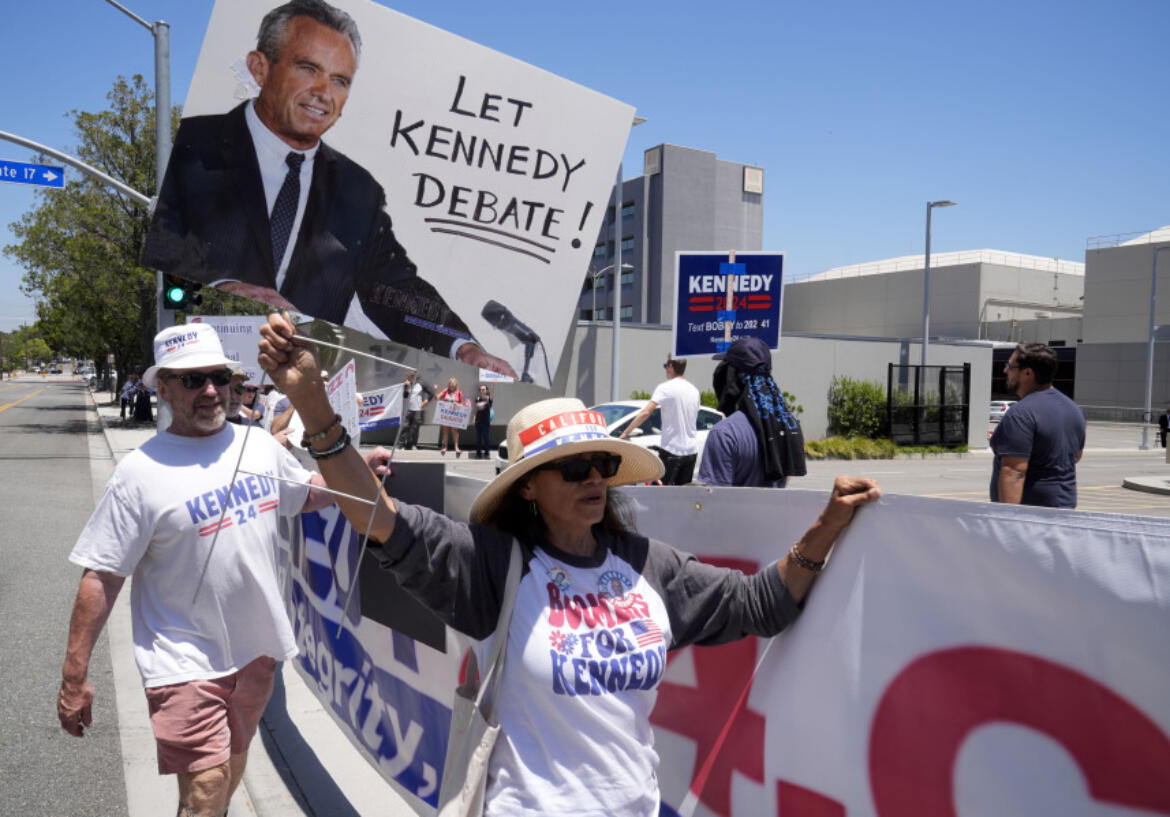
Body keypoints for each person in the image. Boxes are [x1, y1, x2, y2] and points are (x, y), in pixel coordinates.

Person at [256, 312, 881, 817]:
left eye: (603, 466)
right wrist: (313, 405)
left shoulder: (648, 566)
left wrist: (824, 531)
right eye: (573, 468)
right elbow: (375, 515)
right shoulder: (493, 565)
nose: (593, 480)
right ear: (527, 486)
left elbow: (758, 604)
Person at [141, 0, 515, 378]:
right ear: (260, 68)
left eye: (340, 80)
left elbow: (397, 289)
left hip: (305, 384)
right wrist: (225, 285)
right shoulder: (192, 147)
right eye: (308, 68)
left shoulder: (359, 189)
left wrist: (461, 347)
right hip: (211, 373)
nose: (324, 92)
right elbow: (166, 243)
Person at [55, 323, 336, 817]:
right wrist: (74, 674)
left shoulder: (258, 446)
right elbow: (102, 575)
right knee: (205, 786)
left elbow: (306, 493)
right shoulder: (139, 473)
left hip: (256, 650)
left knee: (231, 765)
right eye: (191, 380)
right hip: (181, 659)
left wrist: (360, 470)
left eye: (218, 377)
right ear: (162, 389)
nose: (210, 390)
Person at [699, 337, 806, 487]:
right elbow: (784, 481)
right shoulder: (789, 427)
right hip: (775, 510)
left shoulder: (724, 433)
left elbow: (715, 499)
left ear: (731, 375)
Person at [990, 342, 1087, 508]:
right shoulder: (1073, 409)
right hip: (1065, 510)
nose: (1005, 370)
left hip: (1032, 520)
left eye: (1010, 366)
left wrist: (1008, 521)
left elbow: (1014, 472)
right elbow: (1076, 456)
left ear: (1028, 373)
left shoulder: (1020, 414)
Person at [618, 356, 700, 485]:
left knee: (659, 495)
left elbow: (646, 412)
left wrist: (626, 433)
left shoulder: (666, 388)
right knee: (682, 497)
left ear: (670, 366)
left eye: (665, 366)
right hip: (691, 452)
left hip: (673, 450)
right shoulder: (694, 391)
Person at [401, 371, 433, 450]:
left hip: (417, 409)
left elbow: (431, 393)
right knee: (405, 426)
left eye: (409, 377)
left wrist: (425, 401)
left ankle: (412, 444)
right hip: (408, 409)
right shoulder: (407, 384)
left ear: (414, 377)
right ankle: (401, 444)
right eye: (408, 377)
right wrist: (407, 388)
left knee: (415, 428)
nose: (408, 379)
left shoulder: (421, 384)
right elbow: (405, 396)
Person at [436, 377, 466, 457]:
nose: (452, 385)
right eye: (450, 383)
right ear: (449, 384)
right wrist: (435, 390)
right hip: (446, 414)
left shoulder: (459, 392)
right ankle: (445, 447)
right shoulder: (446, 391)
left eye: (453, 383)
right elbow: (437, 398)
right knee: (445, 430)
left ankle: (456, 447)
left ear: (456, 384)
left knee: (454, 430)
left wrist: (458, 404)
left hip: (455, 415)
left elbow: (463, 405)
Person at [474, 383, 494, 459]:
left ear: (486, 390)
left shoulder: (489, 399)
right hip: (478, 422)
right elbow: (476, 410)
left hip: (486, 422)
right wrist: (474, 418)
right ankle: (478, 454)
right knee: (478, 439)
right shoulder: (477, 398)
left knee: (486, 439)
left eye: (484, 389)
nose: (482, 391)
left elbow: (492, 395)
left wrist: (493, 385)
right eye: (481, 389)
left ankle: (487, 454)